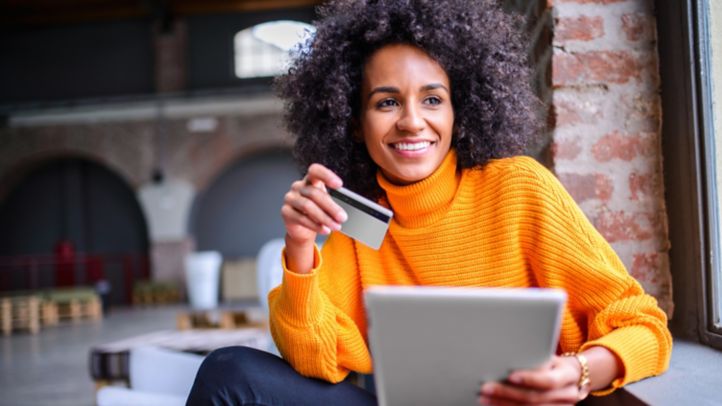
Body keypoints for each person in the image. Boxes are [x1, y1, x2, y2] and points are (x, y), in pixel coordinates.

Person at [187, 0, 672, 405]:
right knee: (228, 371)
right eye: (386, 102)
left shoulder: (519, 188)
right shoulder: (354, 215)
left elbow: (645, 326)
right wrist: (298, 247)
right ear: (354, 121)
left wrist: (580, 372)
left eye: (433, 99)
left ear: (461, 108)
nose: (412, 122)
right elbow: (315, 359)